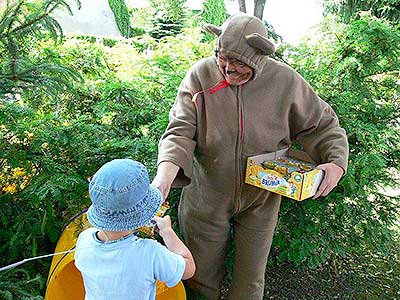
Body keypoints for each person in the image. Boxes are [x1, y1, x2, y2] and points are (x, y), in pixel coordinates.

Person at [152, 13, 349, 300]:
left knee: (250, 282)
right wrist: (163, 179)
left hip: (262, 198)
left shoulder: (285, 81)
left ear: (260, 58)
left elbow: (323, 125)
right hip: (206, 196)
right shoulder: (200, 75)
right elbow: (179, 131)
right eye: (222, 57)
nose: (228, 68)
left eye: (238, 63)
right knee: (200, 277)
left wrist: (335, 163)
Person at [74, 159, 196, 300]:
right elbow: (188, 269)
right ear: (142, 214)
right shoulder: (150, 252)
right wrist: (167, 232)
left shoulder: (84, 240)